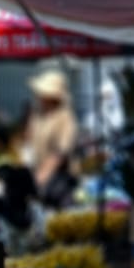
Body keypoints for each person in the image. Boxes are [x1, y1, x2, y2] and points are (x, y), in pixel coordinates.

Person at [21, 67, 78, 205]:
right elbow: (28, 139)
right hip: (38, 176)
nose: (38, 96)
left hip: (59, 181)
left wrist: (40, 177)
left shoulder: (65, 117)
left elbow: (60, 153)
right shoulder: (38, 114)